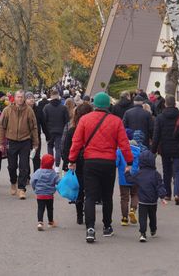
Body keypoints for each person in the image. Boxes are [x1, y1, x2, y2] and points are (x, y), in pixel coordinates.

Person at [68, 92, 133, 243]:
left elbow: (76, 142)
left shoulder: (84, 119)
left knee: (90, 196)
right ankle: (107, 226)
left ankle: (90, 228)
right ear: (108, 105)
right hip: (109, 162)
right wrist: (129, 162)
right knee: (107, 196)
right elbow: (124, 144)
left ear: (95, 105)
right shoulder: (116, 121)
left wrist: (71, 159)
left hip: (90, 162)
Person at [0, 89, 39, 200]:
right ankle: (13, 182)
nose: (20, 99)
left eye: (22, 97)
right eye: (18, 97)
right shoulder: (7, 110)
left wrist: (36, 143)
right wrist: (0, 142)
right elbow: (1, 127)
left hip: (25, 141)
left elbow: (34, 127)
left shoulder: (29, 110)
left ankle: (21, 189)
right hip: (11, 141)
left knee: (24, 166)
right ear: (14, 98)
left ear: (24, 98)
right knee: (12, 166)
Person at [124, 150, 168, 242]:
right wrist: (162, 197)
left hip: (142, 201)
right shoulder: (156, 174)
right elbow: (160, 186)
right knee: (152, 216)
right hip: (152, 201)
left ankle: (142, 233)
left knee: (142, 218)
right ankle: (153, 229)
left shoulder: (139, 174)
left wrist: (127, 172)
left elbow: (130, 180)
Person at [62, 101, 93, 225]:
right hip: (91, 160)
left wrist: (68, 163)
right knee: (90, 188)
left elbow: (66, 148)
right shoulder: (93, 129)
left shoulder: (72, 130)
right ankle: (90, 211)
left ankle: (79, 214)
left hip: (77, 162)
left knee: (79, 188)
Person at [151, 96, 179, 205]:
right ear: (175, 104)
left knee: (166, 171)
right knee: (178, 171)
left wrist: (153, 150)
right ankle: (177, 193)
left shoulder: (160, 118)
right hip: (178, 148)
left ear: (165, 104)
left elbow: (156, 136)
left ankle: (167, 194)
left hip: (164, 148)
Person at [30, 154, 61, 231]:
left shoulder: (38, 172)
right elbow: (58, 182)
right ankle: (50, 222)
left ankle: (40, 222)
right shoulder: (53, 173)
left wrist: (35, 189)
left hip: (40, 195)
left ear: (42, 162)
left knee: (40, 208)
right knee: (50, 208)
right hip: (49, 195)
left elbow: (33, 181)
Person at [43, 90, 70, 173]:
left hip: (49, 131)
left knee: (50, 147)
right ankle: (57, 166)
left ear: (51, 96)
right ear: (58, 96)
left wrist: (45, 130)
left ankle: (50, 164)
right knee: (58, 148)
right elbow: (67, 120)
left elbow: (44, 120)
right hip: (60, 130)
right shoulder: (63, 108)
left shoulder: (46, 107)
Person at [117, 138, 141, 226]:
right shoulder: (139, 152)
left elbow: (116, 163)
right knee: (135, 194)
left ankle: (124, 218)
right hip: (135, 178)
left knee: (124, 198)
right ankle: (133, 209)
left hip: (123, 178)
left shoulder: (120, 151)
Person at [26, 92, 49, 173]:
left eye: (32, 98)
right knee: (25, 157)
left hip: (36, 136)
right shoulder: (23, 110)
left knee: (36, 156)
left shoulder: (38, 110)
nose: (31, 99)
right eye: (29, 98)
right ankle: (26, 175)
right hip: (25, 137)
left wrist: (47, 135)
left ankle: (36, 174)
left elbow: (43, 123)